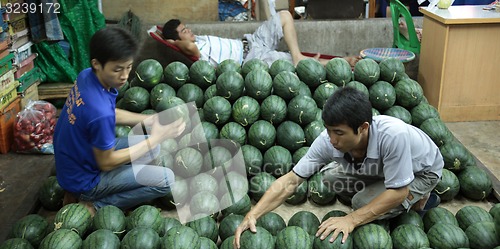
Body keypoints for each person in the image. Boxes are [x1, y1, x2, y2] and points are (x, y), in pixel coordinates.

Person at [234, 87, 443, 249]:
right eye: (329, 130)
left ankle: (420, 200)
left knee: (360, 203)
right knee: (331, 177)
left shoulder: (392, 136)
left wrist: (351, 220)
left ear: (363, 128)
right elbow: (291, 180)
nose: (332, 139)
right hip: (380, 168)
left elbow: (399, 192)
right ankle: (381, 194)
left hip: (421, 172)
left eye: (339, 133)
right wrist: (253, 214)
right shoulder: (328, 140)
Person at [53, 27, 186, 215]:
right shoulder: (99, 112)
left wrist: (148, 119)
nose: (124, 75)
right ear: (97, 64)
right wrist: (155, 138)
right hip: (85, 179)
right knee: (166, 179)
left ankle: (78, 191)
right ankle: (94, 205)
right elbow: (106, 163)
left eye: (129, 67)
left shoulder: (86, 76)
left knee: (152, 150)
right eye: (117, 69)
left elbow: (110, 112)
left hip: (71, 164)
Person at [161, 10, 360, 67]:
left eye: (186, 28)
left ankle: (298, 55)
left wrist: (179, 35)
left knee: (284, 16)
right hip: (251, 61)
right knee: (289, 63)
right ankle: (343, 62)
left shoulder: (199, 39)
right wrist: (172, 42)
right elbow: (187, 46)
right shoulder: (196, 51)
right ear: (176, 40)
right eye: (184, 31)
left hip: (251, 41)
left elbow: (187, 40)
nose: (189, 31)